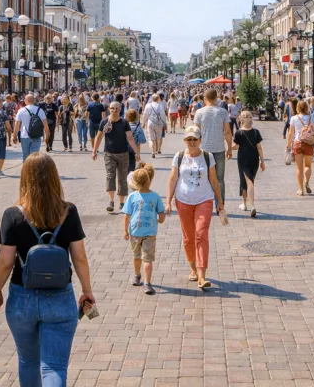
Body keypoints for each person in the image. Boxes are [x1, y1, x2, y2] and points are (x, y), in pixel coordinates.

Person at [0, 153, 94, 387]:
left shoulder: (13, 214)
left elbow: (6, 262)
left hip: (23, 297)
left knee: (28, 361)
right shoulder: (68, 211)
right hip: (60, 297)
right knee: (55, 366)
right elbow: (79, 257)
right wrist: (87, 290)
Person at [167, 126, 225, 289]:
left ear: (200, 140)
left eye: (195, 139)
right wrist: (167, 200)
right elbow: (172, 179)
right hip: (183, 200)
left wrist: (219, 201)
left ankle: (201, 275)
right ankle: (192, 268)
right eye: (189, 139)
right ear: (185, 140)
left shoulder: (208, 157)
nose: (192, 142)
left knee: (201, 235)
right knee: (188, 237)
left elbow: (214, 180)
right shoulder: (178, 157)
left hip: (204, 199)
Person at [122, 164, 165, 295]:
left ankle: (136, 275)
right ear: (149, 181)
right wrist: (159, 220)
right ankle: (147, 283)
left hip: (134, 232)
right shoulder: (156, 196)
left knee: (137, 257)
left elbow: (127, 215)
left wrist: (125, 231)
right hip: (150, 232)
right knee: (148, 259)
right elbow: (161, 214)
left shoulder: (132, 197)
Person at [92, 100, 140, 213]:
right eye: (112, 108)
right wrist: (94, 151)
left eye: (117, 108)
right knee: (110, 176)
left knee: (122, 178)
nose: (114, 110)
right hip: (109, 153)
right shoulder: (104, 122)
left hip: (123, 153)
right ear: (109, 109)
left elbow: (130, 138)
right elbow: (98, 137)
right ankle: (111, 201)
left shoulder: (124, 122)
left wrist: (136, 152)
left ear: (120, 109)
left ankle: (122, 202)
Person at [194, 88, 232, 211]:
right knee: (220, 179)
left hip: (204, 150)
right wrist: (229, 148)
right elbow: (227, 132)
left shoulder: (199, 112)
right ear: (216, 98)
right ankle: (220, 205)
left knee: (204, 177)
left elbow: (196, 133)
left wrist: (193, 149)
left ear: (204, 99)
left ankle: (205, 204)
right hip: (219, 149)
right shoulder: (223, 112)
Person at [232, 110, 265, 217]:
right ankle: (245, 203)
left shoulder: (239, 133)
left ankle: (251, 205)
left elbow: (236, 147)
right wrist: (262, 161)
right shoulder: (256, 132)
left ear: (240, 120)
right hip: (254, 159)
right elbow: (259, 147)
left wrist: (228, 148)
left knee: (248, 181)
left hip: (243, 160)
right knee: (248, 180)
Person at [285, 100, 314, 196]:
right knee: (308, 166)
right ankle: (306, 182)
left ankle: (301, 190)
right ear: (306, 107)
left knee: (299, 168)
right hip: (308, 143)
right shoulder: (310, 118)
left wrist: (288, 144)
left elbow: (291, 133)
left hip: (298, 143)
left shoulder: (294, 118)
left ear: (297, 108)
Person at [13, 94, 50, 162]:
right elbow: (45, 125)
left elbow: (16, 125)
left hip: (24, 136)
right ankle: (34, 170)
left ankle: (26, 171)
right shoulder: (40, 110)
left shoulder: (21, 111)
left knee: (26, 155)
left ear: (25, 101)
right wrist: (47, 136)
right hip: (36, 135)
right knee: (35, 156)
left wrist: (14, 136)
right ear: (34, 101)